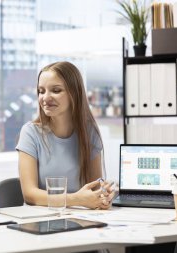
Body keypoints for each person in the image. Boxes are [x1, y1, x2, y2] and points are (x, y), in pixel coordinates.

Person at [16, 61, 114, 210]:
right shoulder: (30, 133)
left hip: (81, 218)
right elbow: (30, 195)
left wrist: (103, 196)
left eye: (55, 90)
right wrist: (77, 199)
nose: (45, 98)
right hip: (40, 220)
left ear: (74, 93)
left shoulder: (89, 132)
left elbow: (95, 188)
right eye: (41, 91)